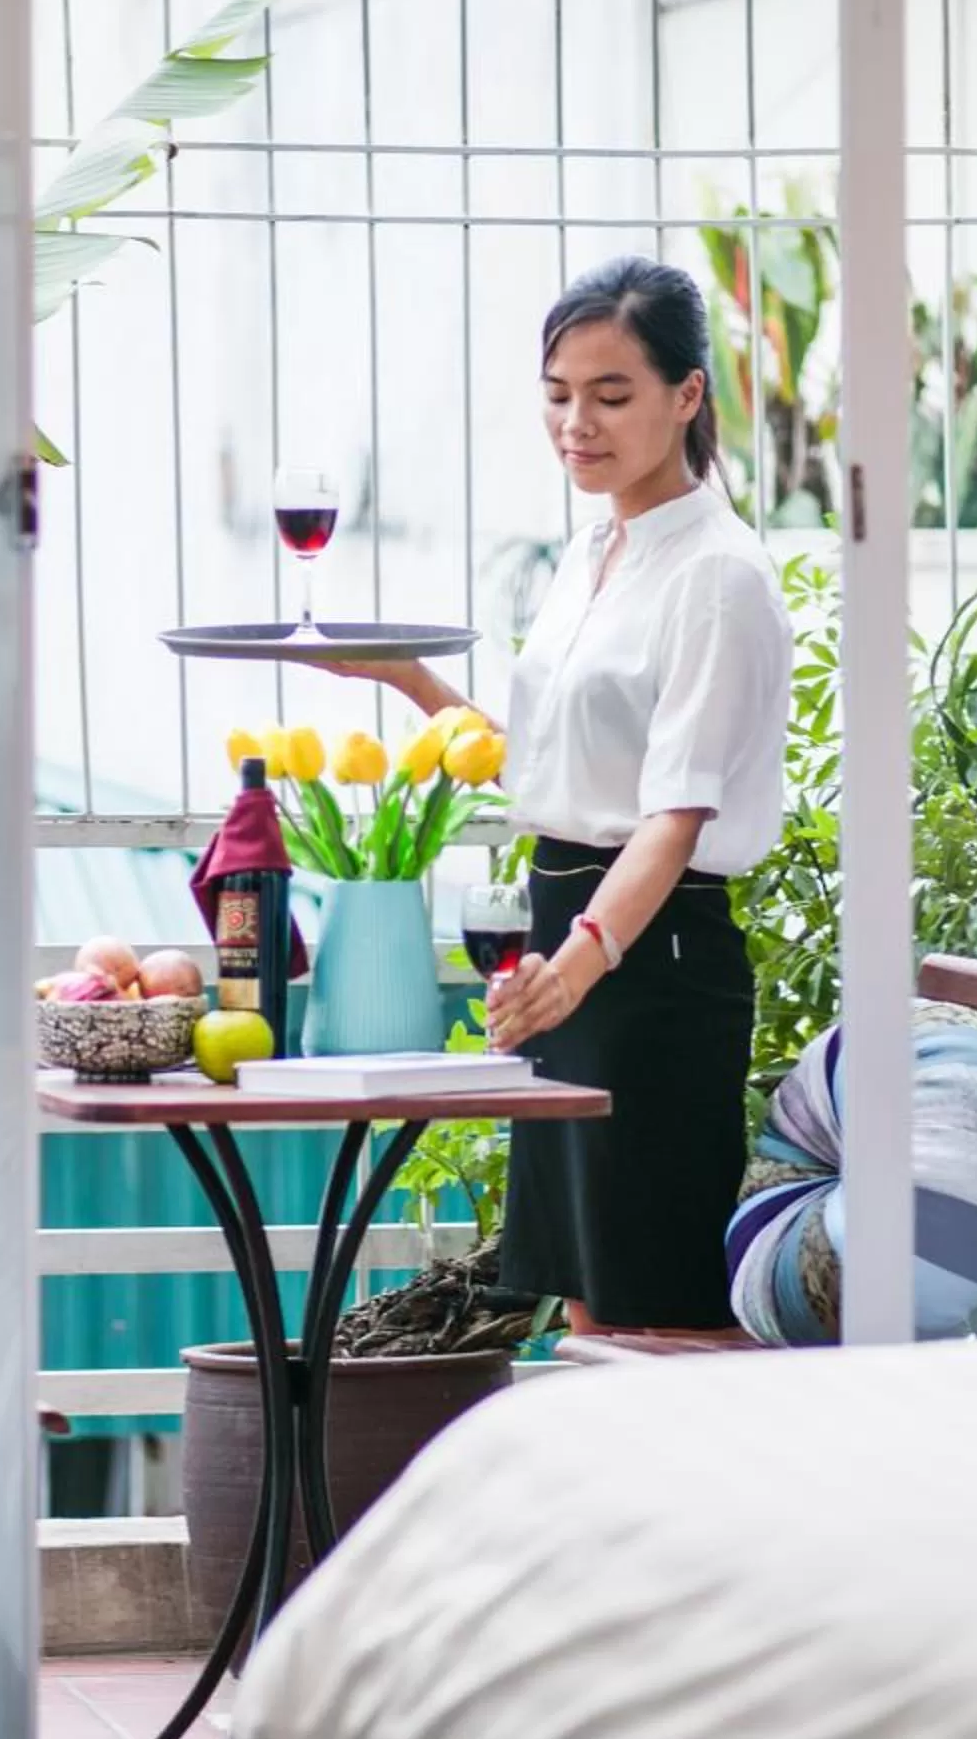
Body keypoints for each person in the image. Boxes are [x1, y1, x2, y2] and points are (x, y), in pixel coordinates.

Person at [333, 256, 791, 1335]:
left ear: (688, 395)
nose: (576, 422)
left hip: (651, 958)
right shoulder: (598, 548)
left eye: (612, 394)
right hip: (573, 939)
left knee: (658, 1301)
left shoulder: (716, 573)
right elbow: (553, 771)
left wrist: (578, 963)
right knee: (588, 1301)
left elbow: (672, 819)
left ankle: (698, 1502)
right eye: (558, 393)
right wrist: (402, 675)